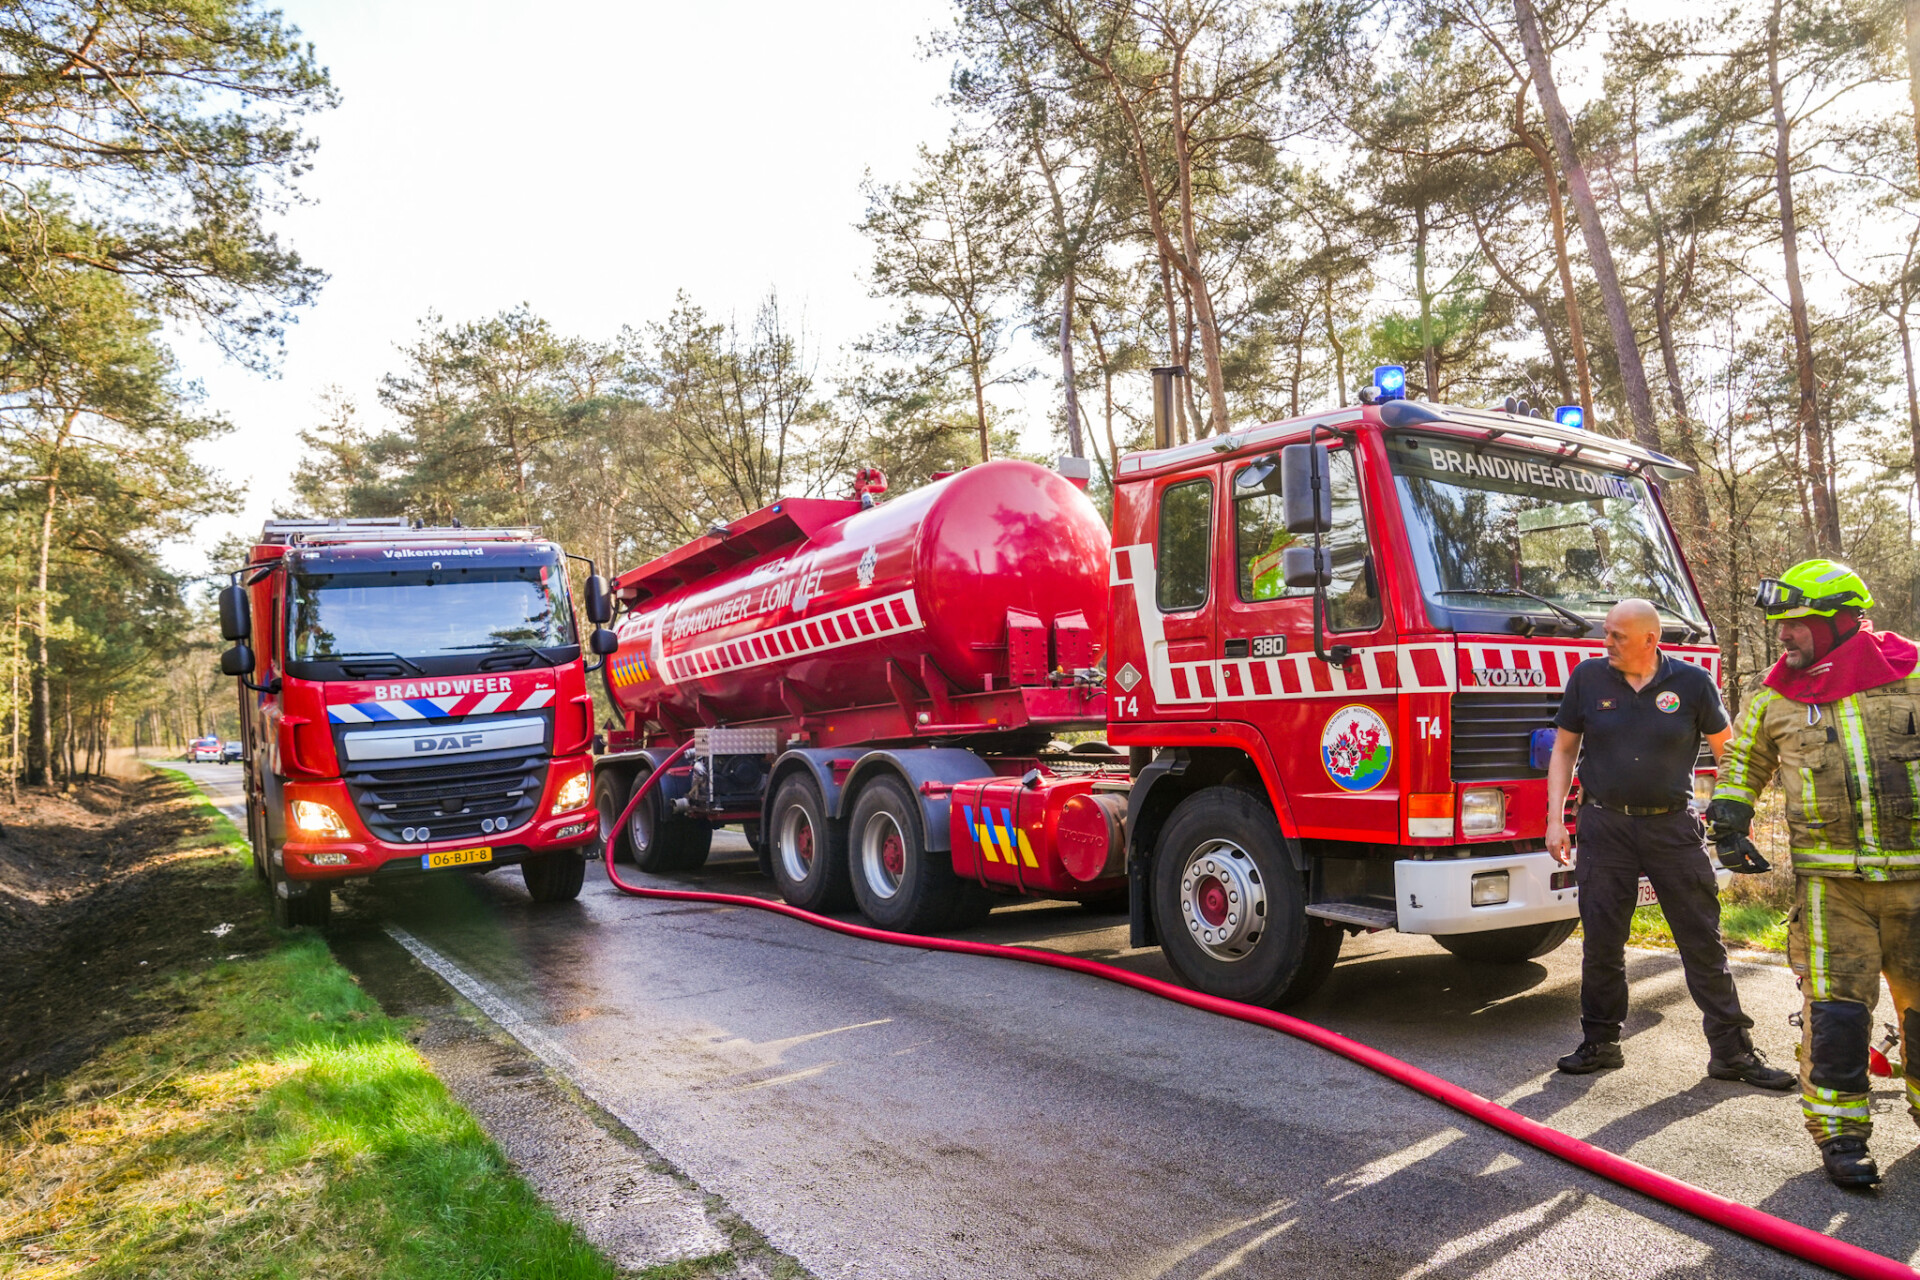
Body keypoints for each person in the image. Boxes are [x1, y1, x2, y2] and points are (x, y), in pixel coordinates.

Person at [1708, 560, 1920, 1189]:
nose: (1784, 636)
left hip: (1918, 880)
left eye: (1797, 623)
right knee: (1837, 1018)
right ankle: (1842, 1136)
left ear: (1843, 620)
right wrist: (1730, 815)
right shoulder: (1776, 694)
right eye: (1779, 625)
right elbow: (1743, 759)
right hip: (1833, 890)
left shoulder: (1912, 675)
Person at [1545, 599, 1794, 1092]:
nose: (1606, 642)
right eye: (1607, 633)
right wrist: (1556, 819)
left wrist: (1732, 814)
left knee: (1701, 940)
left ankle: (1731, 1052)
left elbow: (1731, 753)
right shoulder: (1587, 679)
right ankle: (1600, 1043)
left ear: (1650, 641)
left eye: (1617, 636)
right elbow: (1564, 748)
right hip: (1603, 825)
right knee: (1601, 941)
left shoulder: (1692, 683)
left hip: (1673, 827)